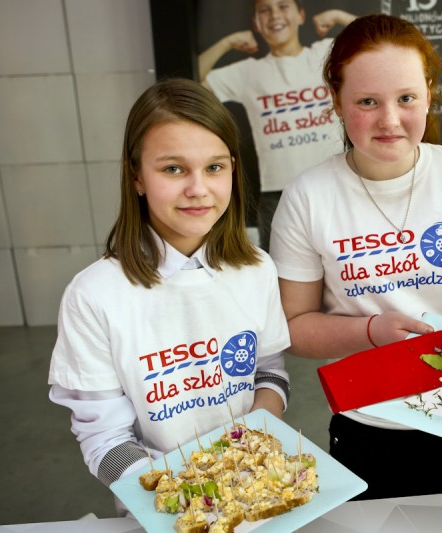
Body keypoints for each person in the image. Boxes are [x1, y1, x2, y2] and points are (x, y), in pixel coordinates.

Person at [270, 14, 442, 499]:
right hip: (370, 426)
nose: (389, 120)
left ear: (428, 93)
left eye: (406, 98)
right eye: (367, 101)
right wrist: (369, 331)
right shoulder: (308, 197)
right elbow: (294, 326)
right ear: (337, 102)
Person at [47, 78, 291, 497]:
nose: (198, 189)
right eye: (173, 169)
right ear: (137, 176)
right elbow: (105, 441)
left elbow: (269, 372)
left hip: (254, 491)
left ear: (233, 169)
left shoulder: (257, 268)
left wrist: (252, 441)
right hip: (160, 506)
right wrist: (190, 498)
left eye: (214, 167)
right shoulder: (93, 295)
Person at [198, 0, 356, 250]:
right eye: (265, 10)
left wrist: (338, 15)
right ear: (256, 23)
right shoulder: (248, 72)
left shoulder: (323, 53)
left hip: (336, 183)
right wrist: (227, 43)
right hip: (276, 194)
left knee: (344, 261)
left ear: (301, 15)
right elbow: (191, 77)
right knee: (279, 268)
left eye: (283, 6)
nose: (274, 15)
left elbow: (377, 40)